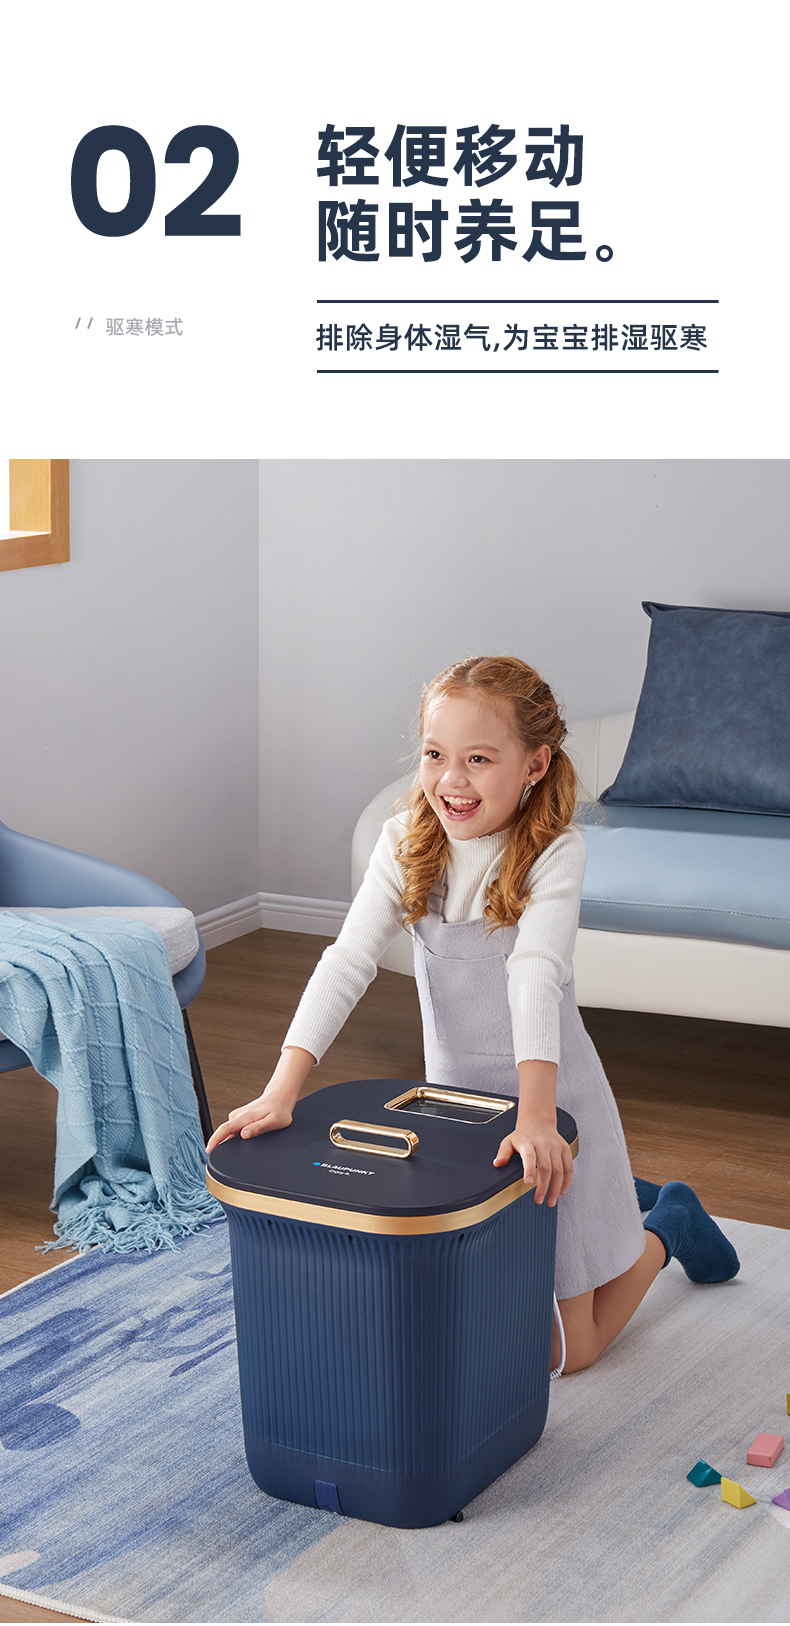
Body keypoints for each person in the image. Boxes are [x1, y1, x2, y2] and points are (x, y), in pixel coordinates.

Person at [207, 655, 739, 1373]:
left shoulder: (555, 853)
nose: (451, 781)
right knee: (471, 1304)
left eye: (479, 759)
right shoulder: (405, 841)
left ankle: (668, 1219)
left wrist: (539, 1119)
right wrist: (281, 1092)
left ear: (534, 764)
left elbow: (535, 976)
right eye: (436, 755)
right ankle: (624, 1190)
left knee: (566, 1350)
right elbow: (347, 961)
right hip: (458, 1111)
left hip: (551, 1103)